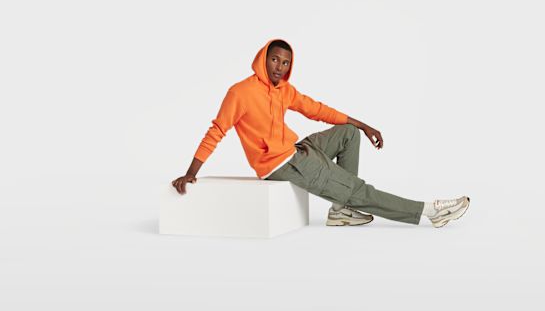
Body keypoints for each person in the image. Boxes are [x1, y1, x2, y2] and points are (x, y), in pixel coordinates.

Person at [172, 38, 470, 228]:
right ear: (263, 58)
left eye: (285, 62)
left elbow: (315, 109)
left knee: (348, 133)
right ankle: (429, 212)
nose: (279, 66)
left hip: (296, 151)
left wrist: (362, 124)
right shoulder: (240, 93)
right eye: (274, 59)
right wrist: (190, 173)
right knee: (358, 190)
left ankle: (341, 209)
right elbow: (217, 130)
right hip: (280, 165)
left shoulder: (284, 90)